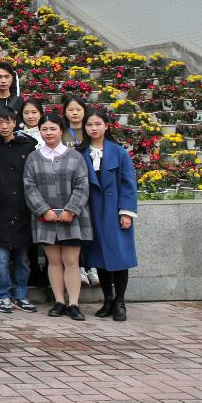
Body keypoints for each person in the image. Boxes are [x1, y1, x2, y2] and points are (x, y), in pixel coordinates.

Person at [24, 113, 93, 321]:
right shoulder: (34, 157)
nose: (48, 133)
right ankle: (59, 301)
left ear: (61, 130)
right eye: (44, 129)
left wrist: (71, 209)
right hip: (46, 218)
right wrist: (43, 210)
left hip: (72, 218)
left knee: (71, 261)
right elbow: (29, 186)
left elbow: (82, 185)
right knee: (53, 261)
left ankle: (74, 304)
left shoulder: (75, 157)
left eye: (53, 129)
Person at [78, 109, 138, 321]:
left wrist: (126, 212)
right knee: (99, 257)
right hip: (92, 211)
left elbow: (129, 183)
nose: (93, 128)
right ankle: (108, 300)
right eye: (89, 125)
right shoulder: (80, 153)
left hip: (114, 211)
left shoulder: (118, 152)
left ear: (106, 126)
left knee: (119, 256)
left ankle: (120, 302)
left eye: (98, 124)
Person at [0, 108, 39, 313]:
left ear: (15, 123)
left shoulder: (27, 145)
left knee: (22, 258)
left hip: (23, 207)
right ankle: (2, 295)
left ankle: (21, 295)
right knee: (1, 259)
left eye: (8, 122)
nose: (4, 126)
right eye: (0, 122)